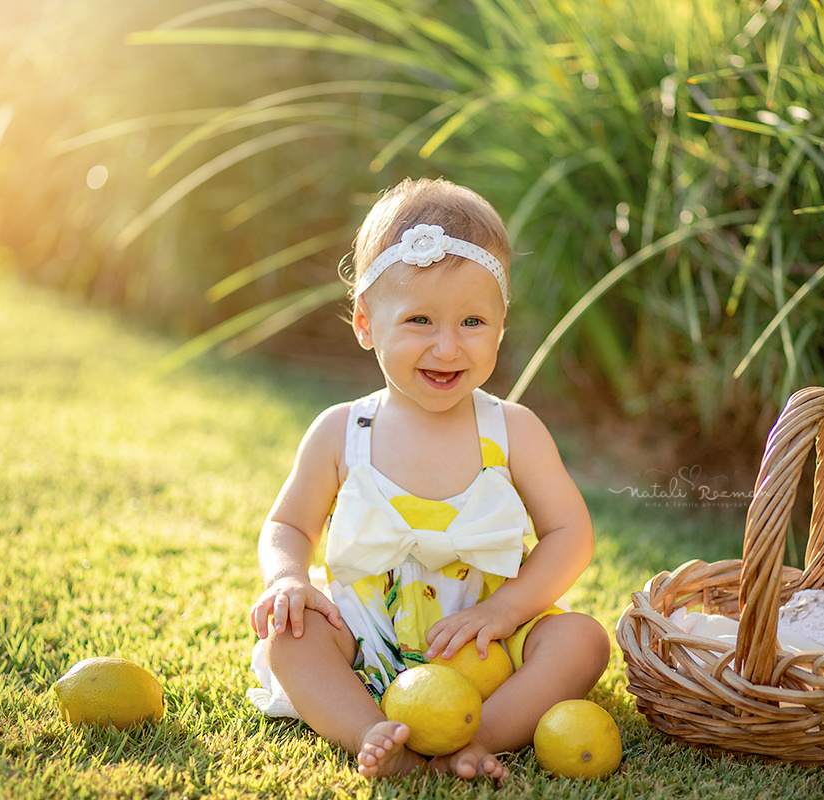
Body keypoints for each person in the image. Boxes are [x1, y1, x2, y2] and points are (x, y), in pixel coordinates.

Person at [246, 177, 611, 781]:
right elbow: (288, 523)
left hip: (490, 642)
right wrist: (286, 578)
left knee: (582, 640)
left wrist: (510, 611)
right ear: (365, 323)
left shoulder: (513, 430)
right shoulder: (342, 431)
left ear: (499, 326)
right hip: (366, 639)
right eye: (419, 319)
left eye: (472, 321)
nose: (447, 347)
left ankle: (480, 736)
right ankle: (373, 731)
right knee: (289, 639)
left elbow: (571, 533)